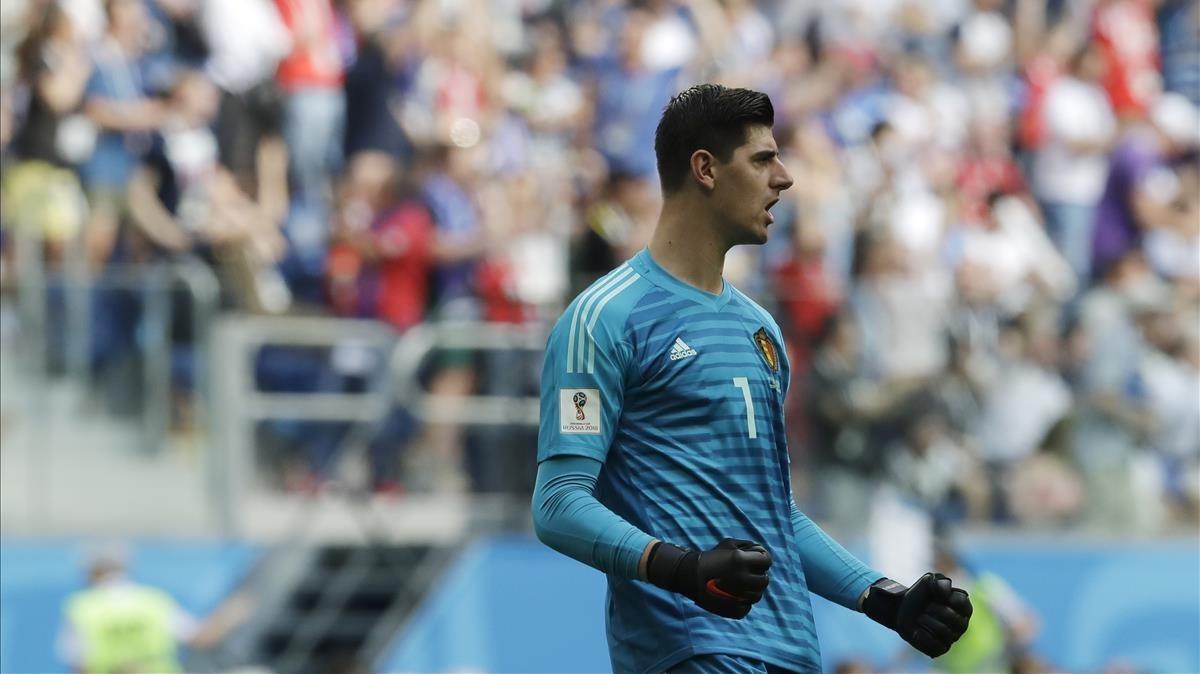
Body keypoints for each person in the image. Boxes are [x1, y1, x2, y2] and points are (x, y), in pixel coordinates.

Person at [531, 84, 972, 673]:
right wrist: (684, 569)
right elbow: (558, 503)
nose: (784, 178)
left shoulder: (758, 329)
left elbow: (773, 514)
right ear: (706, 169)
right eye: (763, 159)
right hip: (691, 649)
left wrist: (883, 598)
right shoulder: (603, 319)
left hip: (791, 650)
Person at [57, 549, 252, 674]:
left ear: (89, 573)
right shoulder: (154, 601)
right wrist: (230, 615)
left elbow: (79, 663)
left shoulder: (82, 607)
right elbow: (200, 637)